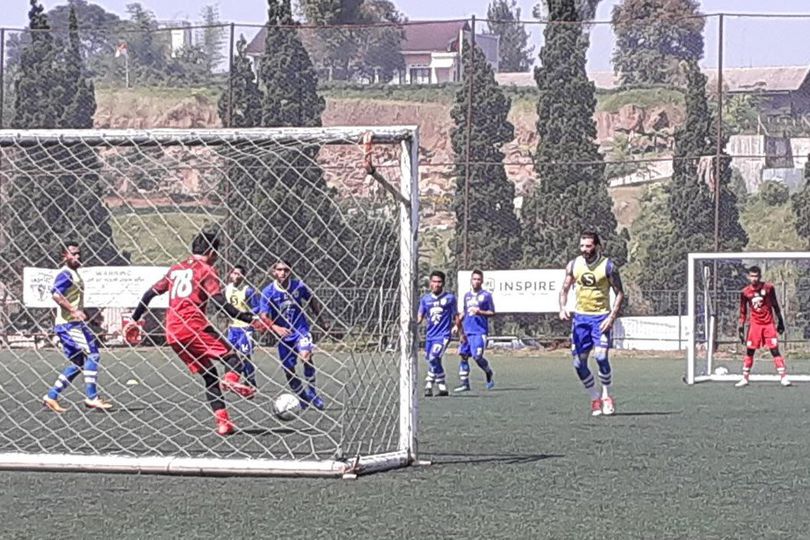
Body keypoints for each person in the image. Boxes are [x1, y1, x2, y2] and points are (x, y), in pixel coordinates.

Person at [127, 231, 260, 436]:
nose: (217, 257)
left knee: (210, 377)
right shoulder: (206, 270)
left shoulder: (176, 269)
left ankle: (224, 424)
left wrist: (134, 319)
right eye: (216, 253)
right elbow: (219, 302)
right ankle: (232, 379)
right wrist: (250, 318)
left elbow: (149, 293)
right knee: (233, 358)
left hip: (172, 333)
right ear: (211, 251)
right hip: (194, 327)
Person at [559, 231, 625, 417]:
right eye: (582, 246)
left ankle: (606, 396)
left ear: (597, 246)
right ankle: (594, 397)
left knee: (601, 357)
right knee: (578, 363)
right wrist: (563, 308)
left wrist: (611, 318)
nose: (584, 250)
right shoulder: (574, 265)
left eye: (588, 246)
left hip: (600, 318)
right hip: (580, 320)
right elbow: (564, 289)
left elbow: (620, 293)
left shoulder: (608, 266)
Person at [42, 242, 113, 412]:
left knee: (78, 362)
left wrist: (89, 315)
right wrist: (74, 311)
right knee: (93, 354)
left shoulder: (75, 274)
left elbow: (73, 299)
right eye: (73, 254)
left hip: (71, 323)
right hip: (69, 325)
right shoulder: (65, 274)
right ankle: (92, 397)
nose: (77, 257)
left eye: (79, 253)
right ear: (64, 256)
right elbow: (56, 295)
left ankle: (51, 396)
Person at [259, 260, 326, 410]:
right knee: (289, 369)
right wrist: (275, 327)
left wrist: (321, 320)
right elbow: (263, 315)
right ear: (274, 272)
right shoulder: (268, 292)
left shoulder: (299, 286)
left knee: (306, 356)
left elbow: (312, 300)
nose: (283, 273)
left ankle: (313, 392)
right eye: (280, 270)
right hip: (283, 336)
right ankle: (302, 396)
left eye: (286, 270)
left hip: (300, 330)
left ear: (291, 271)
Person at [736, 266, 790, 387]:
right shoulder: (745, 292)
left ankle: (783, 377)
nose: (754, 279)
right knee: (750, 351)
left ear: (760, 276)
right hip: (755, 325)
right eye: (752, 276)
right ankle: (745, 378)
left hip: (768, 324)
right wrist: (741, 326)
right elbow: (743, 311)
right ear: (748, 277)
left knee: (774, 350)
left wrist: (780, 321)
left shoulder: (769, 288)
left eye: (756, 276)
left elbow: (775, 305)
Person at [418, 270, 461, 397]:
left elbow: (456, 315)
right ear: (430, 283)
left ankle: (434, 382)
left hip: (443, 335)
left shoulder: (450, 298)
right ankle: (437, 385)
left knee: (433, 357)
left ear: (443, 284)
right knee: (433, 360)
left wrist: (456, 326)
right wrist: (412, 322)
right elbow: (420, 315)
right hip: (430, 336)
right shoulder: (425, 299)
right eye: (434, 282)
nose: (436, 284)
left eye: (439, 282)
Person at [454, 269, 495, 392]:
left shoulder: (486, 296)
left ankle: (488, 372)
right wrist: (457, 325)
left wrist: (480, 312)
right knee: (463, 355)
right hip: (467, 332)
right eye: (474, 279)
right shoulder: (467, 296)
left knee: (477, 357)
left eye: (478, 279)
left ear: (482, 281)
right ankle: (465, 384)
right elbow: (465, 312)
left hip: (479, 332)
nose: (476, 281)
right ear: (471, 281)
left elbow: (492, 312)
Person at [225, 265, 259, 388]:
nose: (235, 276)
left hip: (245, 327)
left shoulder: (247, 290)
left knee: (245, 356)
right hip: (232, 328)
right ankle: (230, 379)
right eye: (233, 273)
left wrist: (246, 315)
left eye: (238, 274)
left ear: (243, 276)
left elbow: (257, 306)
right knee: (229, 354)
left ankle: (250, 380)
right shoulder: (227, 289)